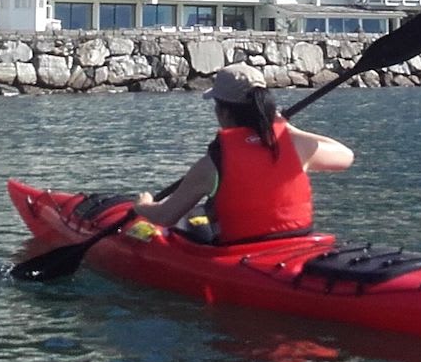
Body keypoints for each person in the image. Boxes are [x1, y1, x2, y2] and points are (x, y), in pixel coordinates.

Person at [132, 63, 353, 243]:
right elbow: (345, 157)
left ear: (224, 112)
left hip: (241, 251)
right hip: (297, 241)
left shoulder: (212, 164)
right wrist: (288, 129)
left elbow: (166, 217)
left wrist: (143, 205)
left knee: (190, 223)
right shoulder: (296, 145)